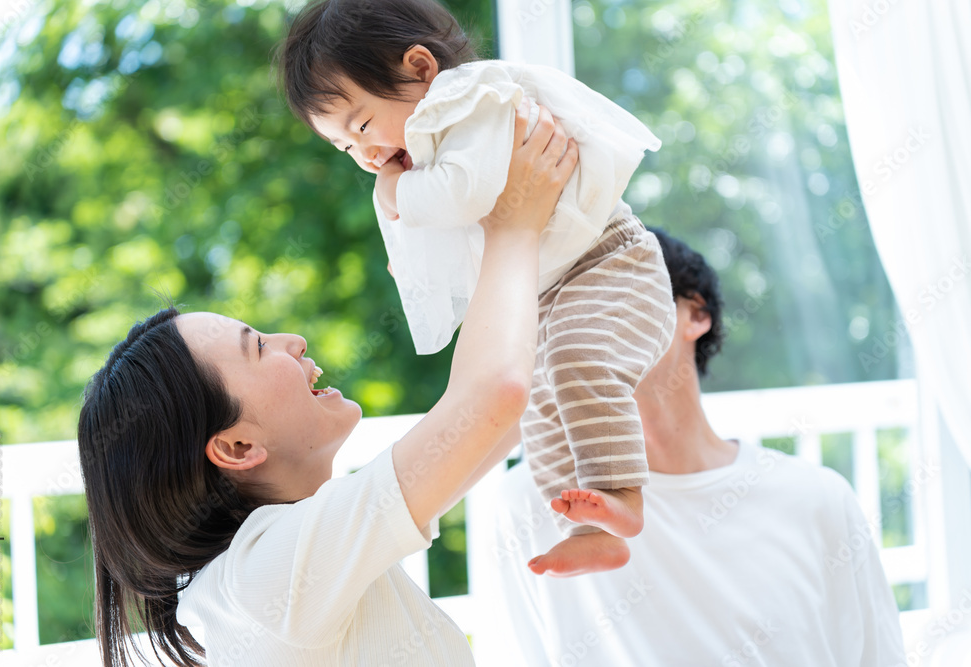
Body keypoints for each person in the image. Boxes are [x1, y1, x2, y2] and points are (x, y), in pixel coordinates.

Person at [76, 105, 577, 666]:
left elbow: (503, 414)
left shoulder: (275, 565)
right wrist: (515, 225)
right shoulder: (267, 576)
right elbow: (494, 398)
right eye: (257, 346)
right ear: (237, 446)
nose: (293, 340)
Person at [280, 0, 675, 578]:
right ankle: (590, 528)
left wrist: (393, 194)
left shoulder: (469, 99)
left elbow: (463, 194)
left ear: (421, 69)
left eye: (361, 127)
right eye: (345, 148)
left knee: (575, 361)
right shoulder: (434, 146)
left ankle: (622, 492)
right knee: (539, 407)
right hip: (548, 291)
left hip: (606, 262)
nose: (366, 156)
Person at [491, 228, 908, 666]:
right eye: (564, 311)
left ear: (695, 314)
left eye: (615, 300)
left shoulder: (817, 499)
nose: (589, 326)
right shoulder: (537, 505)